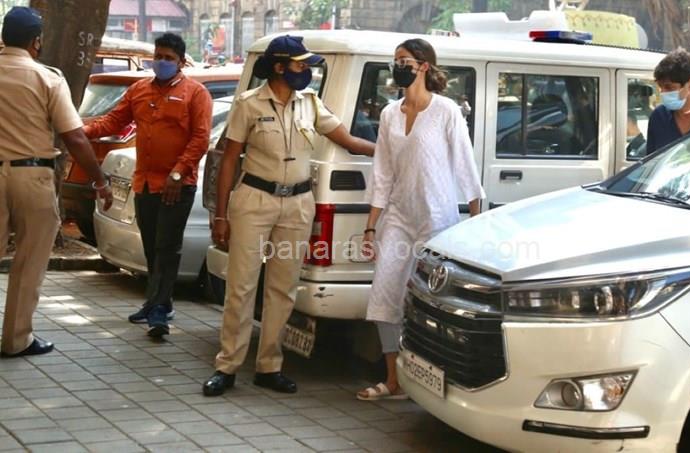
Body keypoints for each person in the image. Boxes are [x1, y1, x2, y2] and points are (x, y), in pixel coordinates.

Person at [203, 35, 375, 396]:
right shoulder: (249, 104)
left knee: (283, 288)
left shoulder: (310, 103)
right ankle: (227, 366)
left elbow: (347, 140)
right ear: (279, 67)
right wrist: (221, 215)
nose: (307, 70)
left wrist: (393, 150)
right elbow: (230, 159)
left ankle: (269, 366)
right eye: (300, 64)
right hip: (254, 201)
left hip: (297, 204)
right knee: (241, 286)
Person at [356, 38, 484, 401]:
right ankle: (392, 380)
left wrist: (476, 224)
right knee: (384, 295)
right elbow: (382, 174)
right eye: (395, 60)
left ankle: (429, 382)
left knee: (430, 301)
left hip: (437, 219)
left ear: (424, 66)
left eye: (404, 61)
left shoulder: (446, 111)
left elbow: (465, 166)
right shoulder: (389, 114)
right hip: (399, 216)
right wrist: (370, 226)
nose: (397, 66)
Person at [0, 7, 113, 357]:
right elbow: (75, 137)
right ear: (36, 41)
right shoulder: (47, 78)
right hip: (32, 177)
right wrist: (99, 180)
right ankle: (16, 340)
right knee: (29, 260)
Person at [83, 33, 212, 338]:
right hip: (144, 183)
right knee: (153, 246)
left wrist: (177, 174)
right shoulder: (139, 90)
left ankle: (159, 312)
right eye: (158, 56)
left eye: (169, 58)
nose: (162, 62)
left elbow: (200, 139)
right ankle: (157, 301)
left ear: (181, 62)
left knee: (168, 247)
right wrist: (80, 131)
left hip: (177, 186)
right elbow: (112, 122)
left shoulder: (196, 93)